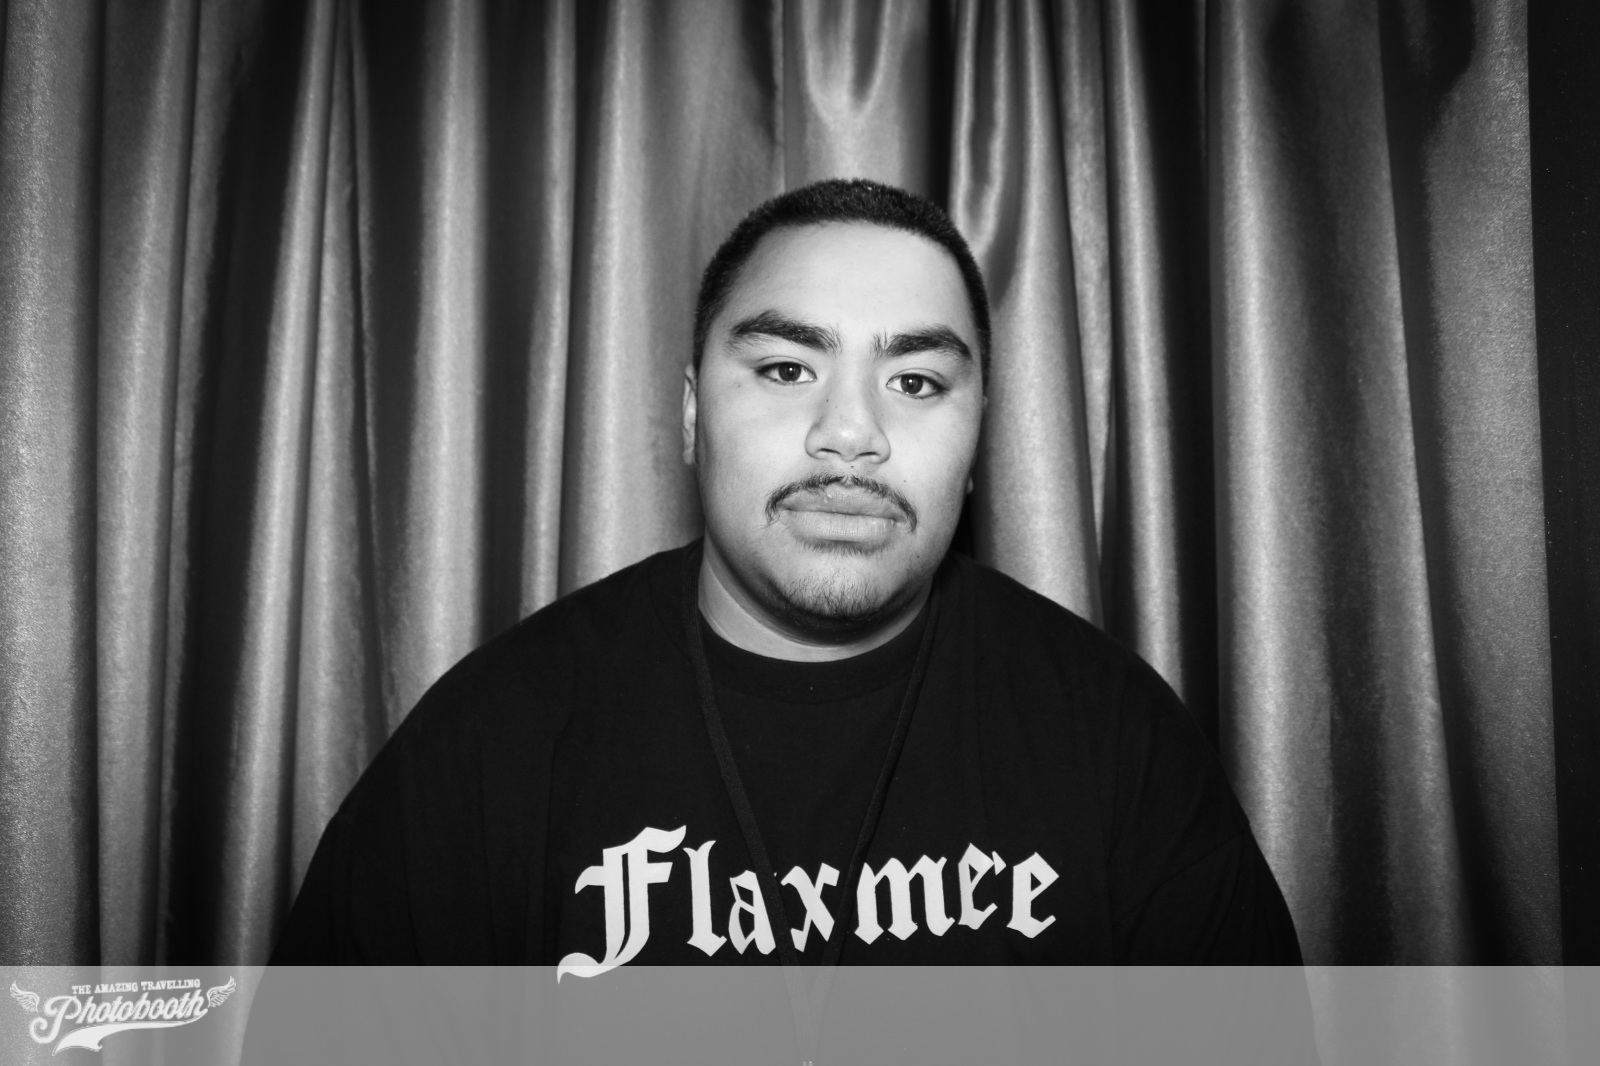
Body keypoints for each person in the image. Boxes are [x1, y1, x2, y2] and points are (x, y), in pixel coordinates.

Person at [267, 178, 1303, 971]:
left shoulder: (1117, 736)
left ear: (977, 438)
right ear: (690, 413)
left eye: (915, 381)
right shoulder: (490, 742)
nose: (849, 431)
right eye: (786, 369)